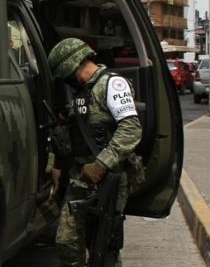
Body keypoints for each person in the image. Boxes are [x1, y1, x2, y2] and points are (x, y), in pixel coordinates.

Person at [47, 38, 144, 267]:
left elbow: (131, 129)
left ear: (71, 66)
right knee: (67, 241)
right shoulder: (83, 92)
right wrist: (59, 165)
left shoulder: (111, 84)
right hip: (80, 176)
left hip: (109, 178)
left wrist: (101, 165)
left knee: (104, 246)